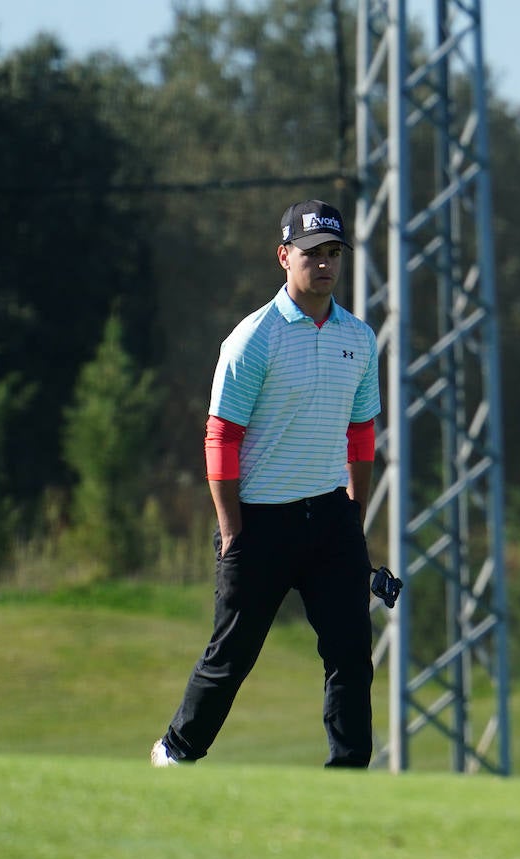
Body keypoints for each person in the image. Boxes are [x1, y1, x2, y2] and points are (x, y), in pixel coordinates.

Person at [151, 199, 385, 768]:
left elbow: (360, 433)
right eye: (312, 254)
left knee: (352, 655)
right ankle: (175, 753)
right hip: (259, 521)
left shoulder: (358, 336)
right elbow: (221, 436)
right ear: (285, 257)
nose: (324, 265)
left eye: (333, 254)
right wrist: (233, 528)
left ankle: (349, 775)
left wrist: (353, 515)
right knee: (233, 655)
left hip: (330, 518)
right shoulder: (254, 338)